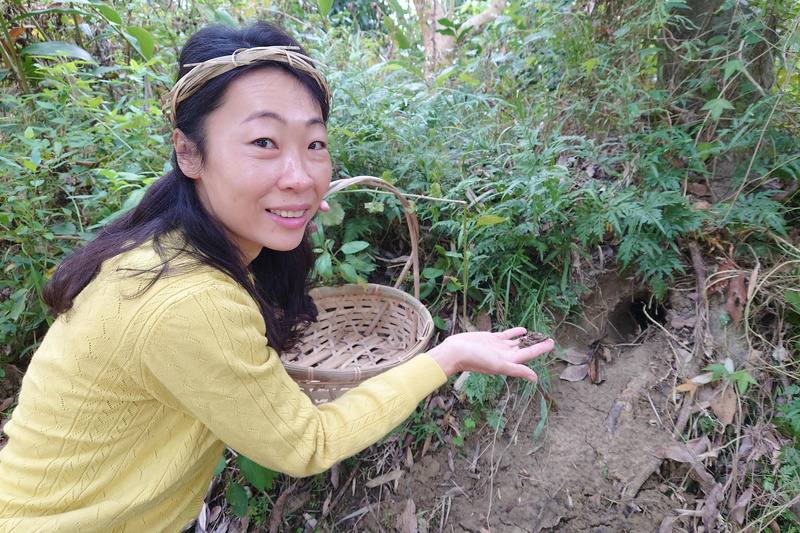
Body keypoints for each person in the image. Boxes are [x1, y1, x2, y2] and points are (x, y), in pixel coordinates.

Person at [0, 21, 554, 532]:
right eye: (264, 143)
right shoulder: (189, 302)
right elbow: (306, 444)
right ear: (189, 153)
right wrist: (447, 356)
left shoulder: (170, 247)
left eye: (314, 145)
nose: (299, 175)